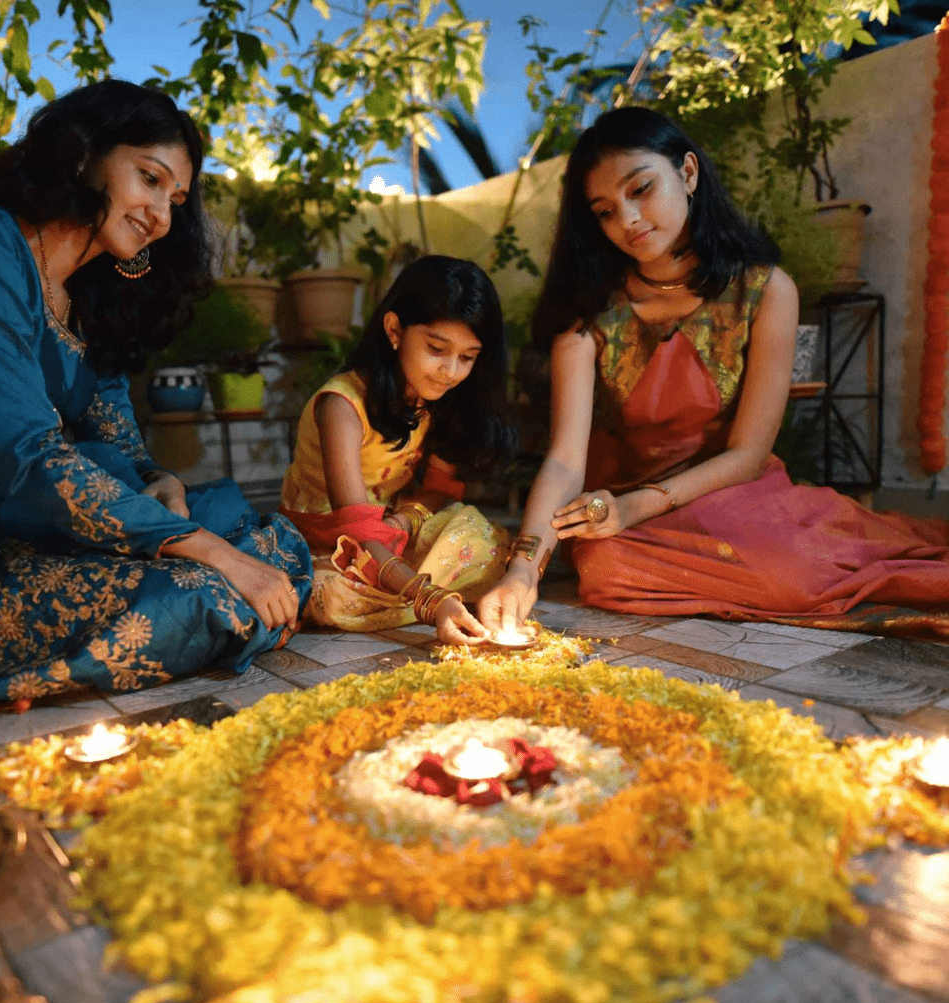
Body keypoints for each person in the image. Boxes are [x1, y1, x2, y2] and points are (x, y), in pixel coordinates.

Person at [479, 106, 949, 639]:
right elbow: (565, 461)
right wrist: (523, 568)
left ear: (688, 173)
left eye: (641, 190)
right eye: (605, 211)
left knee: (790, 579)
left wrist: (637, 507)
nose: (628, 220)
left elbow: (748, 454)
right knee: (607, 573)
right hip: (623, 516)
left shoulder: (765, 291)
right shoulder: (590, 316)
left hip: (732, 494)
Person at [0, 80, 312, 709]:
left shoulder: (92, 294)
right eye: (149, 179)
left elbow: (118, 447)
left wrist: (162, 483)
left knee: (276, 541)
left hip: (45, 519)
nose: (162, 214)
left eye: (177, 199)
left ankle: (221, 596)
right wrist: (215, 555)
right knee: (208, 591)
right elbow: (30, 456)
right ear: (84, 153)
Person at [280, 255, 515, 644]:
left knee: (481, 537)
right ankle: (405, 594)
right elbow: (355, 528)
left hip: (391, 531)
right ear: (394, 330)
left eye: (467, 358)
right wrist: (431, 601)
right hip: (329, 544)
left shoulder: (437, 398)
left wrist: (405, 521)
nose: (451, 371)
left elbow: (440, 489)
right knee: (330, 598)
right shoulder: (342, 405)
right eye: (436, 349)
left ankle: (394, 592)